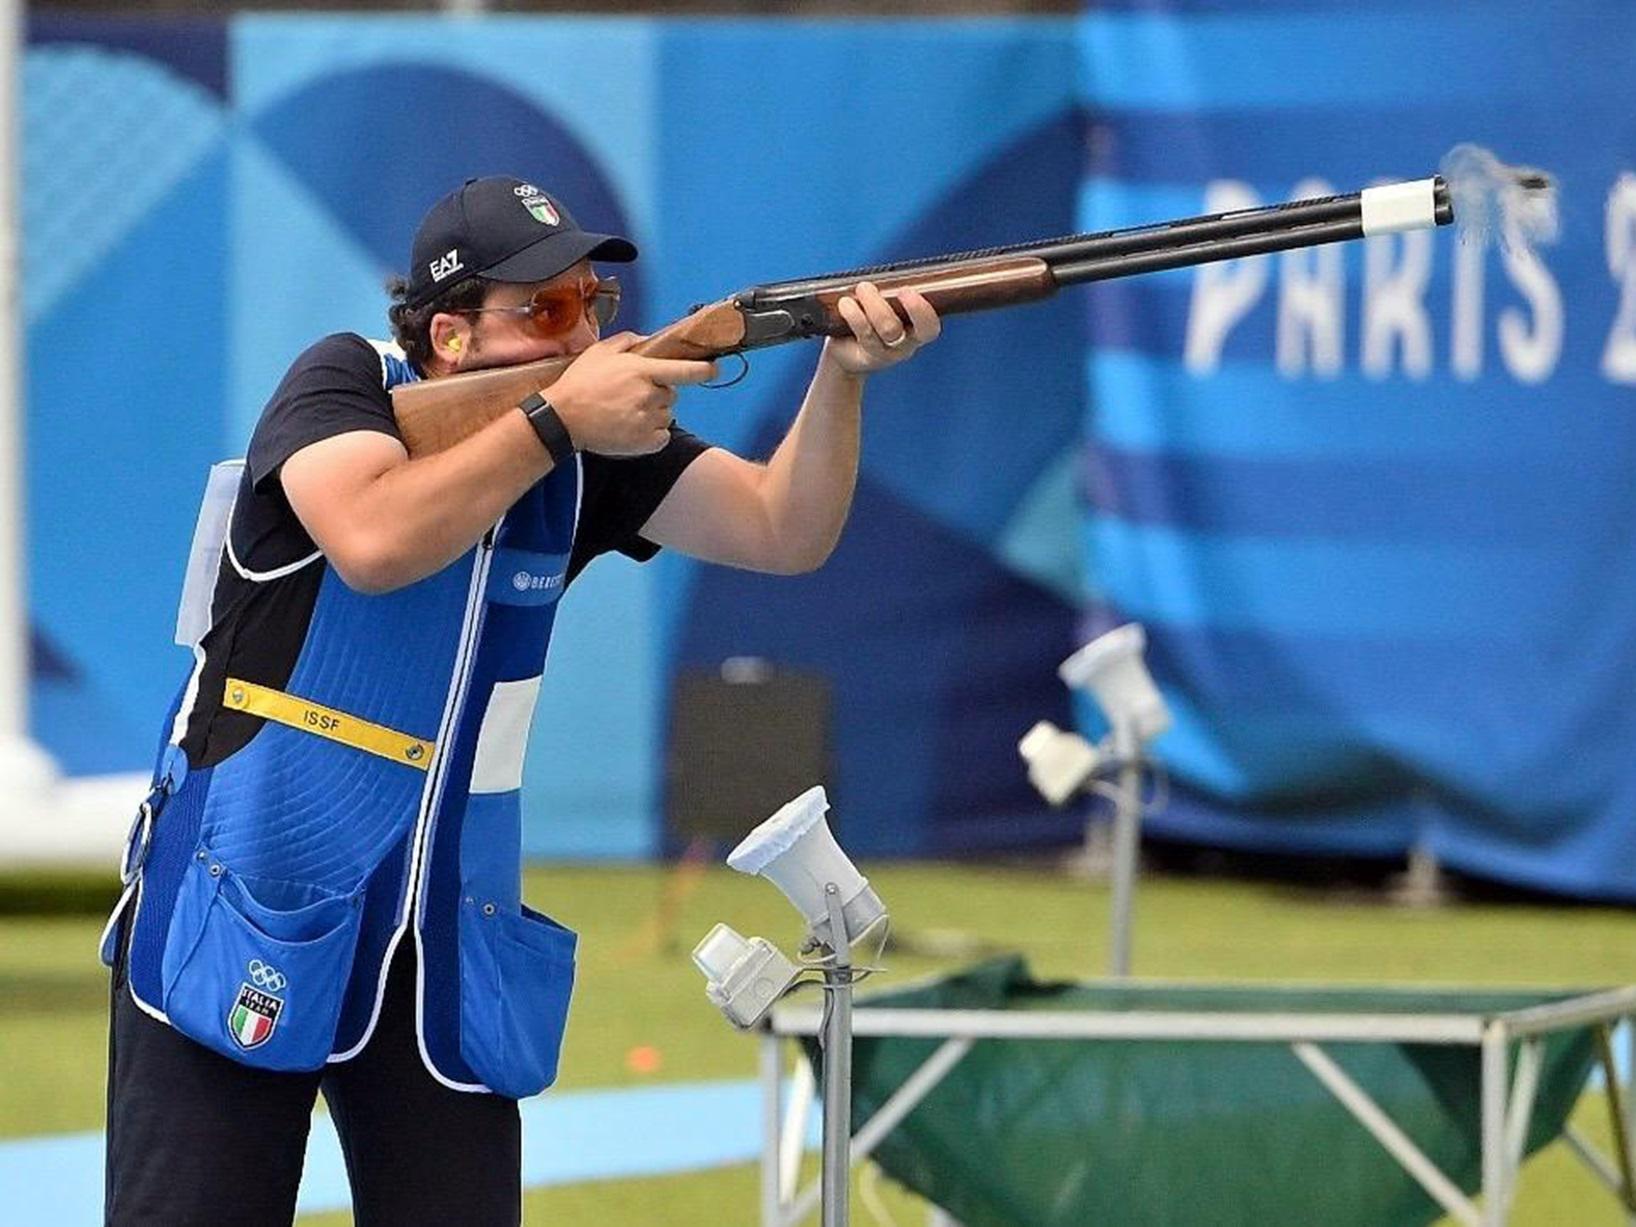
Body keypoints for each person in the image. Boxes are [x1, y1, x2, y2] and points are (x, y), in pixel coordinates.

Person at [100, 174, 939, 1226]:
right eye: (545, 310)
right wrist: (553, 421)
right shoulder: (343, 380)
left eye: (593, 303)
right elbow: (373, 541)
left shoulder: (588, 449)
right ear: (447, 336)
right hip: (251, 896)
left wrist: (844, 374)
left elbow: (784, 527)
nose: (583, 333)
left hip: (446, 937)